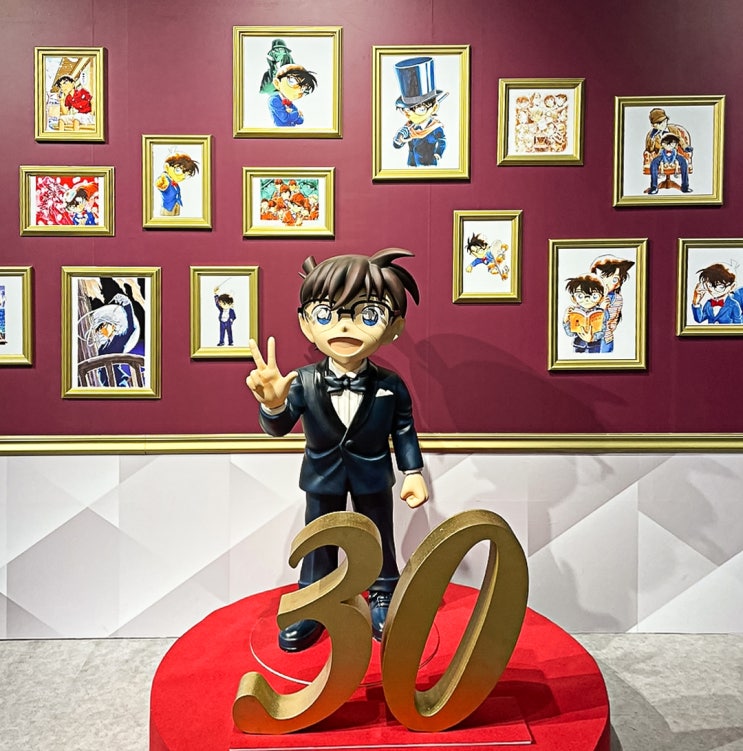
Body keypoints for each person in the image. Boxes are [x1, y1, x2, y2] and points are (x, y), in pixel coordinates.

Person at [245, 248, 428, 652]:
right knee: (318, 538)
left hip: (373, 475)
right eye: (327, 314)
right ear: (307, 325)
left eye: (368, 314)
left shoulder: (391, 385)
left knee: (378, 533)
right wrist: (273, 405)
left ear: (394, 327)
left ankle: (383, 591)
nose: (345, 325)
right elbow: (278, 427)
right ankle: (314, 596)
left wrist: (413, 472)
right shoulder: (302, 381)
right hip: (321, 476)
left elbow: (404, 429)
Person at [392, 57, 447, 166]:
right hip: (412, 165)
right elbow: (397, 145)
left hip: (429, 165)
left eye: (420, 109)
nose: (410, 114)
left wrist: (438, 153)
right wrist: (399, 139)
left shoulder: (435, 128)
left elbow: (442, 141)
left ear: (434, 108)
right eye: (407, 110)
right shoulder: (409, 127)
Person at [590, 255, 635, 353]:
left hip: (607, 338)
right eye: (602, 277)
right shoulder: (590, 297)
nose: (607, 282)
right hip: (591, 338)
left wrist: (612, 327)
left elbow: (616, 315)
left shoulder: (618, 298)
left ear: (618, 284)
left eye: (614, 279)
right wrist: (601, 309)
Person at [563, 275, 606, 354]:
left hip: (595, 346)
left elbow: (603, 331)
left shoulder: (600, 313)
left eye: (594, 296)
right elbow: (570, 333)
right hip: (578, 346)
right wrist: (566, 320)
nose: (587, 299)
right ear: (574, 298)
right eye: (580, 296)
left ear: (601, 298)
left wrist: (592, 338)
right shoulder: (575, 312)